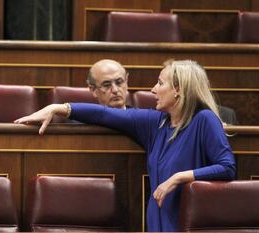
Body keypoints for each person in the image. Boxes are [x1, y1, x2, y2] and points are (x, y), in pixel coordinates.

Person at [15, 59, 236, 232]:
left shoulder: (204, 120)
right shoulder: (155, 123)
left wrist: (180, 177)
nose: (152, 89)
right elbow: (104, 114)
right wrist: (58, 108)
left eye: (160, 83)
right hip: (157, 219)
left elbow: (227, 168)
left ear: (178, 89)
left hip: (188, 222)